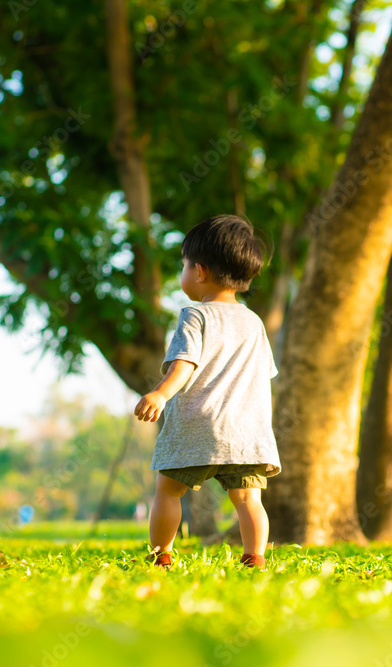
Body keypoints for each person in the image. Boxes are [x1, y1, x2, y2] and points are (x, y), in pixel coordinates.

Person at [134, 215, 280, 569]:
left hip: (198, 425)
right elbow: (264, 374)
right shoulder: (254, 321)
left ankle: (162, 556)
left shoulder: (195, 315)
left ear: (199, 272)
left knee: (169, 491)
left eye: (183, 265)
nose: (183, 273)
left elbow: (184, 363)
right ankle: (255, 558)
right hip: (246, 432)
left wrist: (161, 394)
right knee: (248, 499)